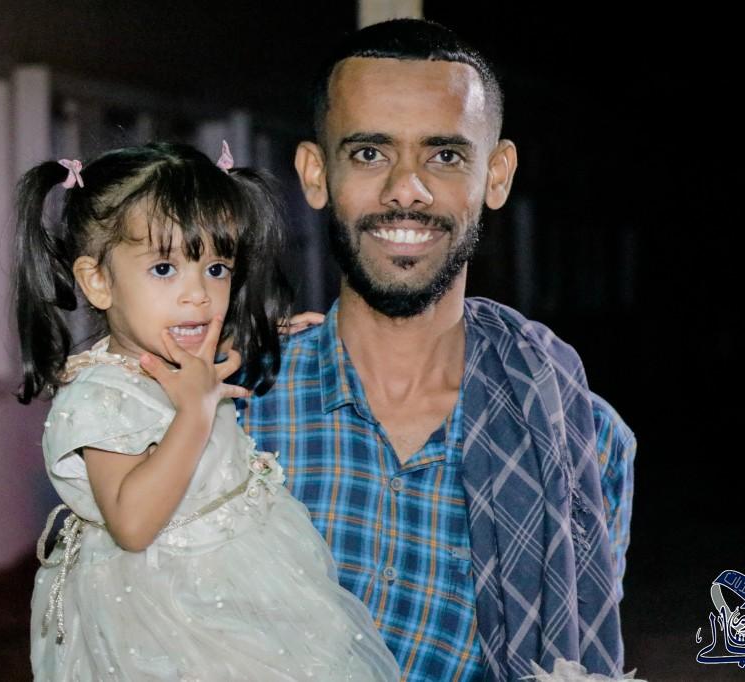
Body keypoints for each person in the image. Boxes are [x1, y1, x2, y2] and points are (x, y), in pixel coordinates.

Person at [237, 19, 637, 682]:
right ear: (315, 172)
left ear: (496, 175)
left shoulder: (584, 440)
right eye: (370, 153)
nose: (407, 190)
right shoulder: (232, 405)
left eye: (445, 156)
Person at [13, 142, 400, 681]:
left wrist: (269, 332)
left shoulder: (181, 358)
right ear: (98, 281)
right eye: (164, 268)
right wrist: (194, 415)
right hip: (169, 619)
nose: (198, 294)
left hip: (248, 580)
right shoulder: (100, 396)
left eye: (216, 268)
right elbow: (131, 523)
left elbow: (214, 355)